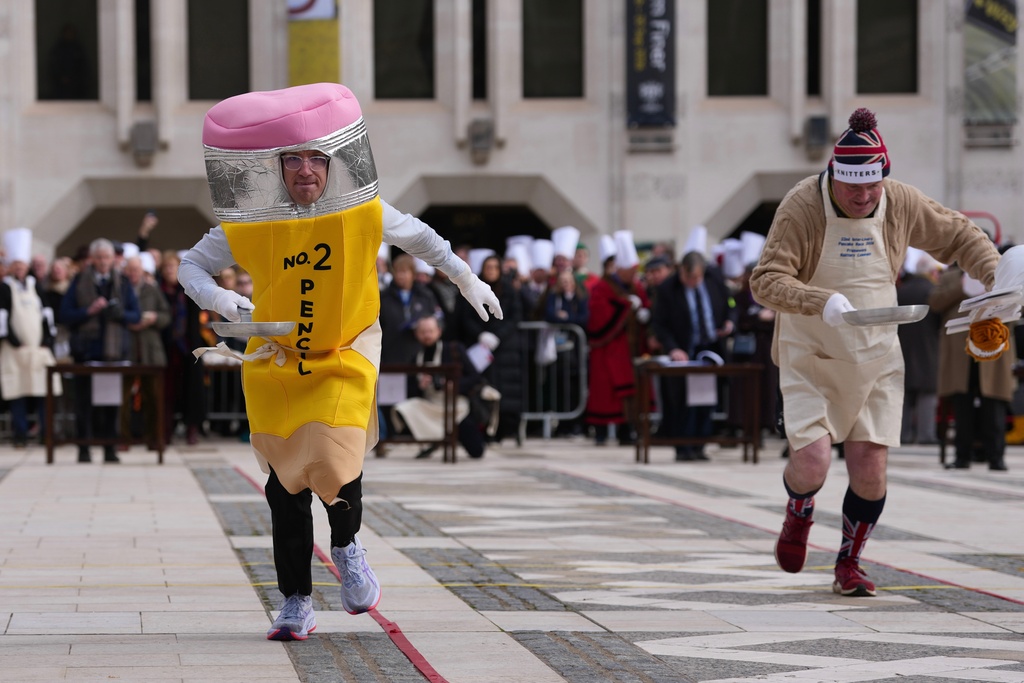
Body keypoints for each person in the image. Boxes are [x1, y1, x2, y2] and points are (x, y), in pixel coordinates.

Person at [177, 83, 501, 641]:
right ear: (276, 167)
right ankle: (295, 602)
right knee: (284, 487)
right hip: (277, 357)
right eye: (293, 159)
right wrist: (223, 300)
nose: (306, 169)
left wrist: (467, 279)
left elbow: (424, 241)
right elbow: (191, 266)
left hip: (344, 352)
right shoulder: (252, 219)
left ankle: (348, 548)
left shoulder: (365, 210)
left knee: (332, 457)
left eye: (315, 158)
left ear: (333, 163)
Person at [749, 108, 1004, 598]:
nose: (863, 198)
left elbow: (959, 235)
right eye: (852, 189)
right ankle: (798, 514)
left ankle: (850, 561)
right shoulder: (802, 204)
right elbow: (765, 281)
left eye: (872, 188)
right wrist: (821, 302)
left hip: (876, 350)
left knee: (870, 467)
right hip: (813, 351)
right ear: (833, 178)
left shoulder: (900, 200)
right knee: (814, 462)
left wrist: (996, 280)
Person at [59, 238, 141, 463]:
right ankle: (84, 449)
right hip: (86, 353)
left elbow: (136, 315)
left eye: (107, 257)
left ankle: (109, 449)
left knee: (111, 403)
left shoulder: (122, 282)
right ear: (92, 260)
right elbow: (65, 315)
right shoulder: (79, 281)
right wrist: (88, 311)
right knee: (84, 404)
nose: (104, 262)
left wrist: (120, 314)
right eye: (99, 258)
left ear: (112, 259)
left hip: (113, 353)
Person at [651, 251, 735, 461]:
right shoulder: (668, 289)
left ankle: (700, 445)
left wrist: (729, 322)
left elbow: (730, 305)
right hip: (684, 349)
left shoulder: (714, 279)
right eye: (688, 277)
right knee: (682, 401)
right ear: (681, 271)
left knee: (705, 399)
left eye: (696, 278)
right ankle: (683, 446)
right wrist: (672, 348)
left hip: (711, 348)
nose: (692, 282)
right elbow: (659, 324)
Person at [930, 264, 1015, 470]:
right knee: (962, 406)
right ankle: (962, 456)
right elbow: (934, 303)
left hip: (992, 347)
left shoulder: (1002, 274)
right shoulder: (950, 277)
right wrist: (962, 286)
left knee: (993, 405)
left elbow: (1015, 304)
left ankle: (996, 457)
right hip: (960, 353)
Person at [584, 231, 650, 446]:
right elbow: (599, 314)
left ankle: (627, 430)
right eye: (631, 271)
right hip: (609, 347)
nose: (634, 276)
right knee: (605, 391)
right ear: (620, 270)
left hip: (630, 347)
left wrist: (643, 312)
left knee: (630, 391)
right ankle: (601, 431)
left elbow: (644, 304)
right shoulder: (603, 287)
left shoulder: (635, 286)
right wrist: (626, 307)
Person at [448, 253, 523, 443]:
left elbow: (514, 317)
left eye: (494, 267)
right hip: (478, 347)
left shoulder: (509, 291)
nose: (491, 271)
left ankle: (503, 430)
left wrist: (497, 335)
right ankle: (482, 429)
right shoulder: (473, 286)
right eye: (488, 267)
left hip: (503, 350)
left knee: (503, 393)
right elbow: (465, 316)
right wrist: (480, 334)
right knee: (480, 391)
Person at [392, 315, 488, 459]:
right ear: (416, 334)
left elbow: (475, 377)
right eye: (423, 332)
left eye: (430, 331)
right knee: (403, 409)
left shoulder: (454, 350)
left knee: (476, 451)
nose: (427, 335)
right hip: (430, 406)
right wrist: (420, 385)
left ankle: (441, 438)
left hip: (456, 407)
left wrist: (453, 385)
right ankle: (432, 440)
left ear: (439, 331)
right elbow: (409, 390)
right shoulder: (416, 357)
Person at [0, 228, 60, 447]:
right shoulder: (5, 288)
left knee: (43, 391)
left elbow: (47, 315)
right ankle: (20, 435)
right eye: (15, 263)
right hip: (14, 349)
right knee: (17, 391)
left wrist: (46, 340)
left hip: (38, 349)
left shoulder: (36, 287)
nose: (19, 267)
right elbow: (2, 318)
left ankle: (47, 434)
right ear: (9, 266)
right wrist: (16, 342)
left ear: (26, 266)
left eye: (22, 263)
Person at [122, 255, 170, 449]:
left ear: (142, 271)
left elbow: (166, 315)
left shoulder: (152, 290)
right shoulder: (122, 289)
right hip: (128, 349)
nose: (133, 274)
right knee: (123, 398)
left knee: (154, 397)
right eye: (130, 270)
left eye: (136, 270)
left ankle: (154, 438)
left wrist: (154, 318)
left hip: (151, 350)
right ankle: (123, 439)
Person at [896, 250, 943, 445]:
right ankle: (926, 435)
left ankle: (902, 435)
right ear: (932, 272)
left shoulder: (902, 290)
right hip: (929, 348)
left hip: (903, 347)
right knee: (927, 393)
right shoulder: (932, 291)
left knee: (905, 394)